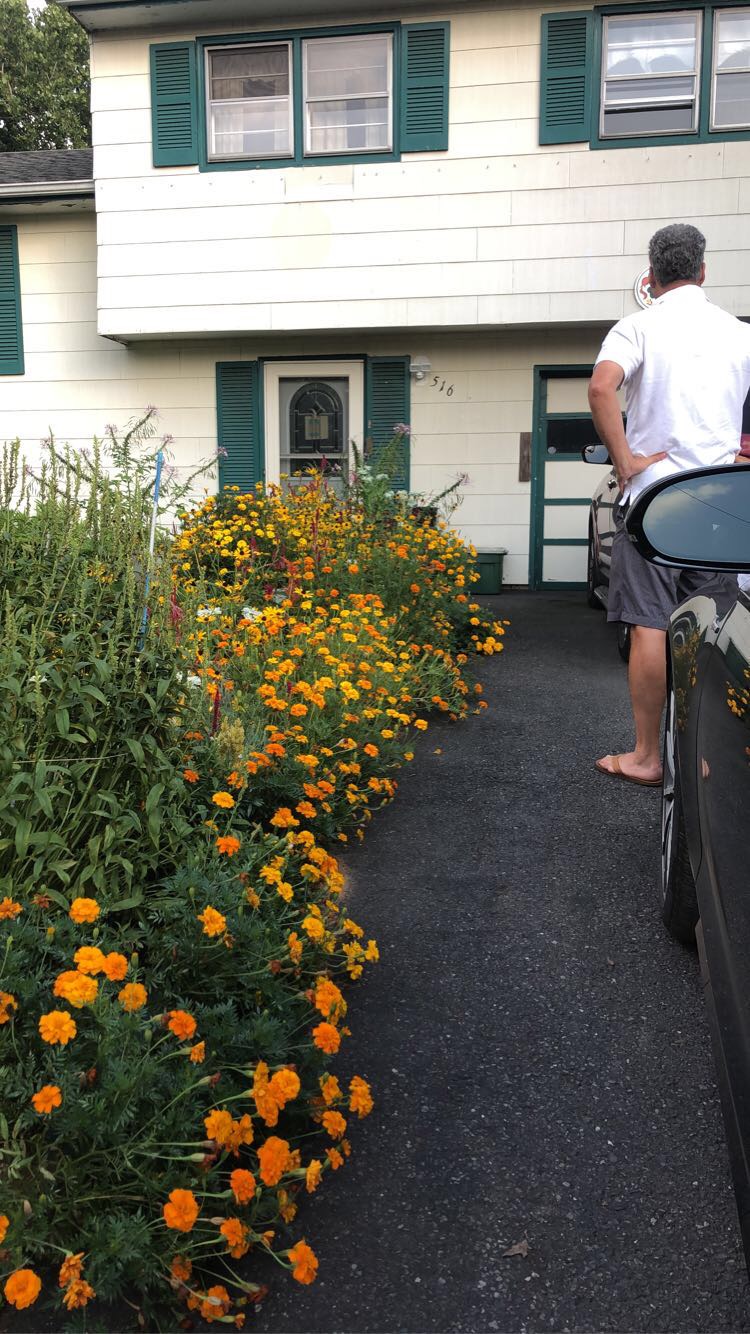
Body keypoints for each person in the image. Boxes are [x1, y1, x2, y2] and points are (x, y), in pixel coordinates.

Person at [588, 222, 750, 786]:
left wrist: (627, 459)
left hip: (657, 503)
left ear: (652, 277)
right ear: (703, 271)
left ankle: (646, 757)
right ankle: (707, 759)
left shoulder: (638, 325)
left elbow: (601, 387)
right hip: (723, 508)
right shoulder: (739, 333)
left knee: (650, 626)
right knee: (714, 632)